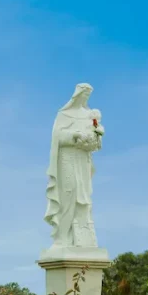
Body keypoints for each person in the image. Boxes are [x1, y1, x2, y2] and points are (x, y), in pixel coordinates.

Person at [44, 83, 104, 248]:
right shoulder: (64, 114)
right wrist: (74, 135)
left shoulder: (89, 116)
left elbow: (97, 141)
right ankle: (62, 238)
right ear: (77, 95)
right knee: (68, 195)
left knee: (83, 198)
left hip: (83, 160)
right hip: (68, 158)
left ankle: (83, 239)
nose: (86, 98)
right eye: (84, 94)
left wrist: (95, 138)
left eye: (88, 96)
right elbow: (57, 137)